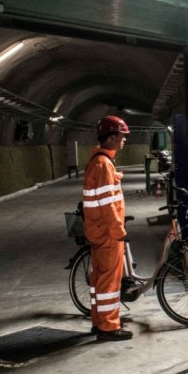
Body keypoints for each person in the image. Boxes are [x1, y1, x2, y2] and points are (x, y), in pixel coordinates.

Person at [83, 115, 134, 342]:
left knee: (98, 280)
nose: (124, 141)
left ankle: (99, 320)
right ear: (112, 137)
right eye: (122, 137)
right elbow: (108, 205)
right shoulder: (103, 165)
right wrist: (118, 231)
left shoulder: (98, 162)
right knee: (109, 282)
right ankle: (109, 327)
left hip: (97, 231)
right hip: (107, 233)